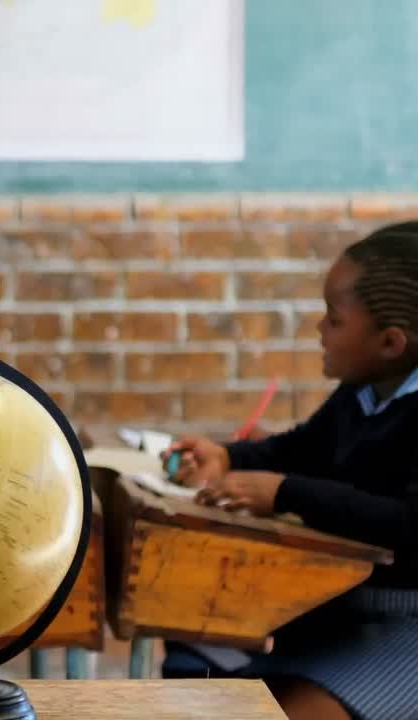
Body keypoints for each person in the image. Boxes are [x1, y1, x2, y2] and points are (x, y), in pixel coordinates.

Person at [164, 222, 418, 720]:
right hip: (337, 615)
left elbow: (409, 524)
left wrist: (284, 493)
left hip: (405, 631)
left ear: (390, 342)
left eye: (334, 319)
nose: (319, 328)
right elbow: (301, 448)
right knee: (198, 673)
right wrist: (228, 458)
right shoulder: (364, 392)